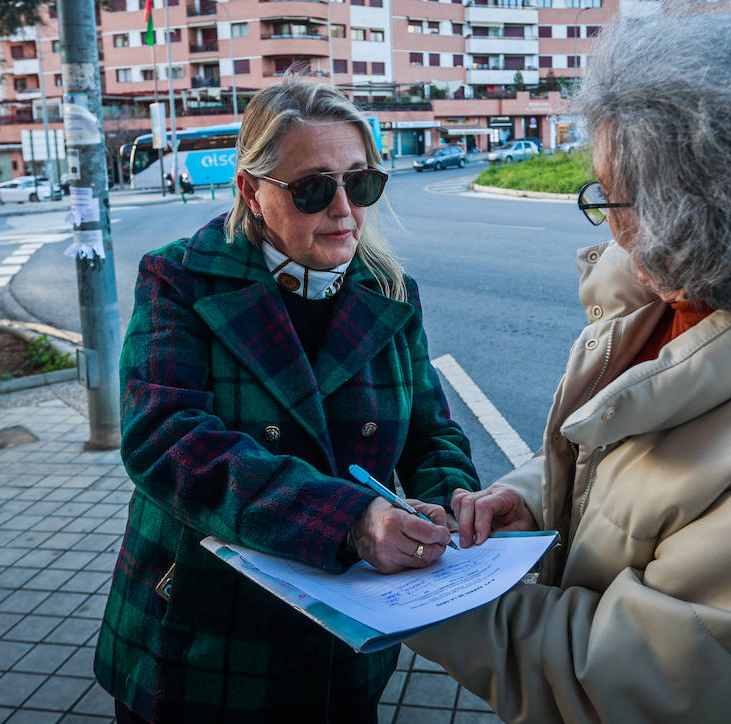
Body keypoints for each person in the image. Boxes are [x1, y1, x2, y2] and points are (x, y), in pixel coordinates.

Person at [407, 10, 731, 724]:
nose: (602, 220)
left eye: (608, 196)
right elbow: (631, 459)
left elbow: (616, 687)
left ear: (694, 223)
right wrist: (532, 495)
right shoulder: (686, 303)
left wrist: (418, 600)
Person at [95, 80, 480, 722]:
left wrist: (445, 505)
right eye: (312, 188)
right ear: (252, 192)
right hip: (203, 641)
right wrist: (349, 520)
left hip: (347, 643)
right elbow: (165, 439)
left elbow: (429, 433)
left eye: (360, 184)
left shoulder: (390, 291)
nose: (343, 210)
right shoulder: (181, 279)